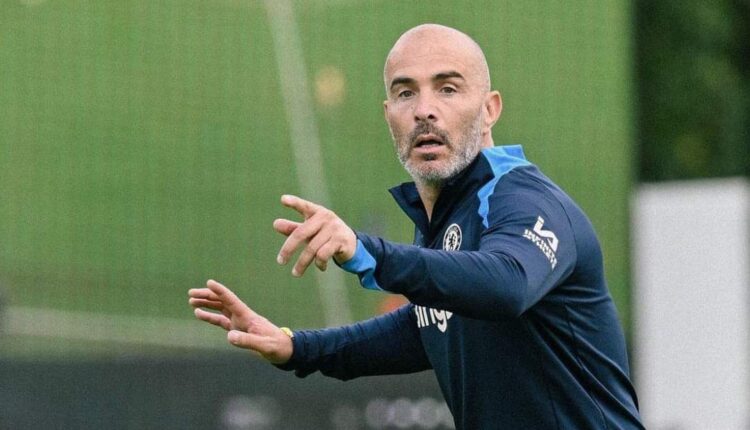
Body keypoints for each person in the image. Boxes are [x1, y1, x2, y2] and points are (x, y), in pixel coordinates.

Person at [188, 24, 644, 429]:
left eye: (448, 89)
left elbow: (507, 284)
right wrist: (296, 347)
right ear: (388, 113)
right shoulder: (443, 217)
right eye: (406, 93)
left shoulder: (524, 200)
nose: (425, 110)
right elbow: (427, 327)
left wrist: (367, 252)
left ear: (489, 110)